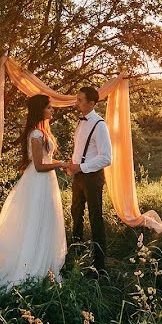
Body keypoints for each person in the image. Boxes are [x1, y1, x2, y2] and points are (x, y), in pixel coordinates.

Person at [0, 94, 70, 290]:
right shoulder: (36, 134)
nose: (52, 110)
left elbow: (45, 161)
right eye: (49, 107)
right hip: (38, 182)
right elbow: (38, 166)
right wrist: (60, 164)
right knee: (35, 222)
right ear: (40, 110)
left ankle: (45, 264)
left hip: (46, 182)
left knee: (46, 222)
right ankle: (30, 265)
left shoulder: (43, 132)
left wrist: (60, 164)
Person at [65, 86, 112, 275]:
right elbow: (83, 149)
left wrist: (81, 167)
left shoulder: (99, 125)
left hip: (92, 177)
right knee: (76, 212)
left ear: (91, 104)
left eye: (80, 100)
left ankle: (99, 265)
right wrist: (73, 164)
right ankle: (77, 252)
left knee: (95, 217)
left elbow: (106, 158)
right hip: (78, 176)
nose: (76, 103)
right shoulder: (80, 122)